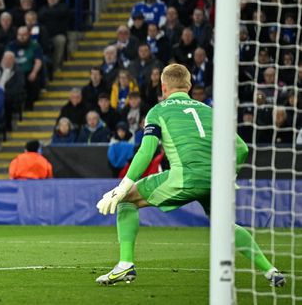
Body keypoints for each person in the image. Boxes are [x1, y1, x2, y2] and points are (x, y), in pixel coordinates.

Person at [94, 64, 286, 287]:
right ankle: (270, 271)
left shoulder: (158, 110)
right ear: (189, 86)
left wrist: (123, 187)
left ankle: (125, 265)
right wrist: (227, 178)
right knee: (225, 225)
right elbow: (242, 149)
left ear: (163, 87)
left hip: (184, 178)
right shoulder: (209, 111)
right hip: (215, 179)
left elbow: (146, 151)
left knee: (127, 200)